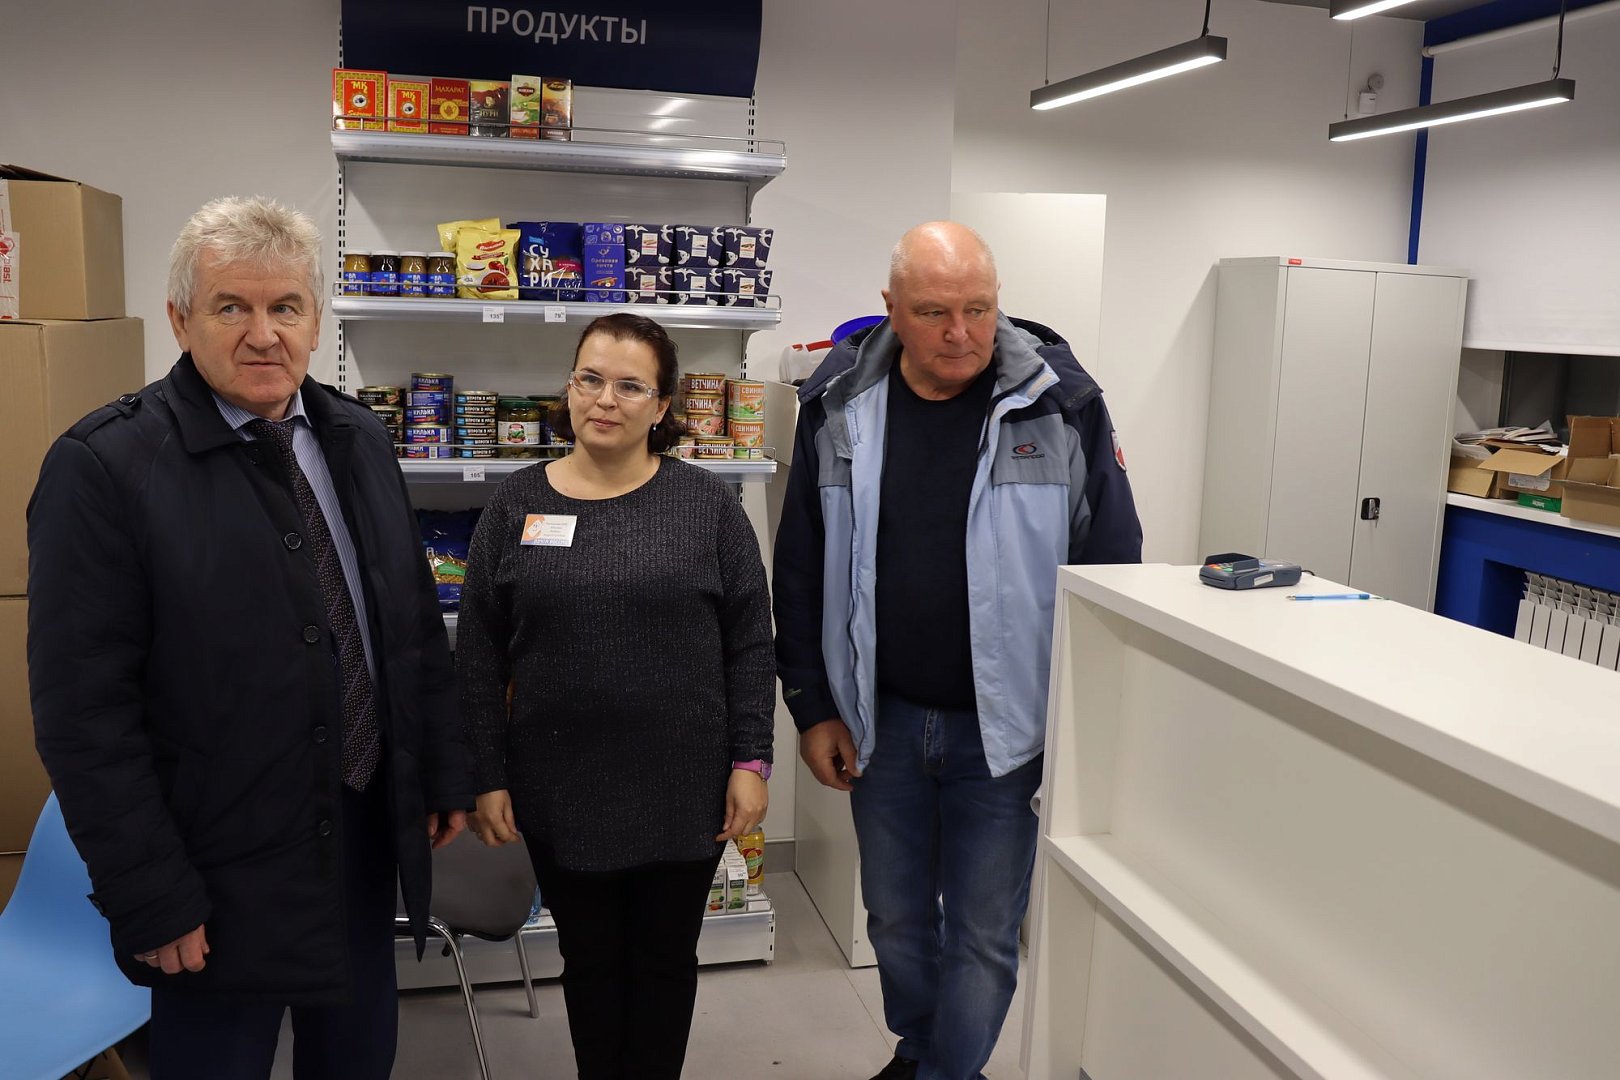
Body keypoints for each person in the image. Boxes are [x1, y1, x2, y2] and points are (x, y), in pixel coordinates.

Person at [27, 196, 472, 1080]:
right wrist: (149, 891)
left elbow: (411, 626)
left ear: (315, 320)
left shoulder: (358, 437)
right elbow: (84, 716)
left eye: (285, 307)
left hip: (360, 834)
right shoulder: (106, 467)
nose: (264, 335)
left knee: (357, 1060)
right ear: (180, 320)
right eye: (232, 306)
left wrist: (441, 768)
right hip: (215, 866)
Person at [773, 222, 1143, 1080]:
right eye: (934, 312)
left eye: (978, 309)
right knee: (896, 918)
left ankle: (947, 1071)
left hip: (1007, 730)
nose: (960, 333)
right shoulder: (838, 406)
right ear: (891, 309)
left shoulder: (1062, 404)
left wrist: (1083, 723)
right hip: (882, 720)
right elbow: (800, 566)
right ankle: (921, 1049)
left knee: (983, 930)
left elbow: (1112, 568)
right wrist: (813, 705)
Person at [456, 313, 774, 1080]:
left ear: (661, 407)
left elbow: (750, 643)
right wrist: (486, 774)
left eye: (630, 386)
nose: (605, 399)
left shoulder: (708, 506)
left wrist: (751, 761)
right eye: (590, 379)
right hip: (561, 790)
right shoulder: (515, 505)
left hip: (684, 789)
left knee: (664, 964)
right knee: (591, 964)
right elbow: (478, 653)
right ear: (568, 389)